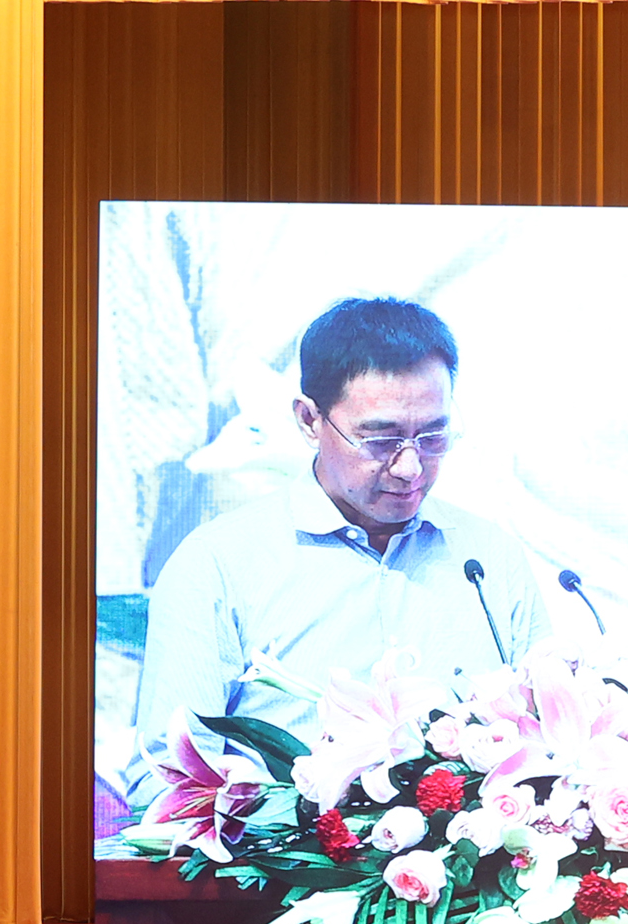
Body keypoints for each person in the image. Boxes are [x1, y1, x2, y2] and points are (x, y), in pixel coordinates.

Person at [130, 297, 548, 799]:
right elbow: (164, 783)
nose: (410, 467)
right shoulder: (216, 565)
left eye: (433, 436)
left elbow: (547, 735)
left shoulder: (491, 557)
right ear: (309, 420)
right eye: (381, 439)